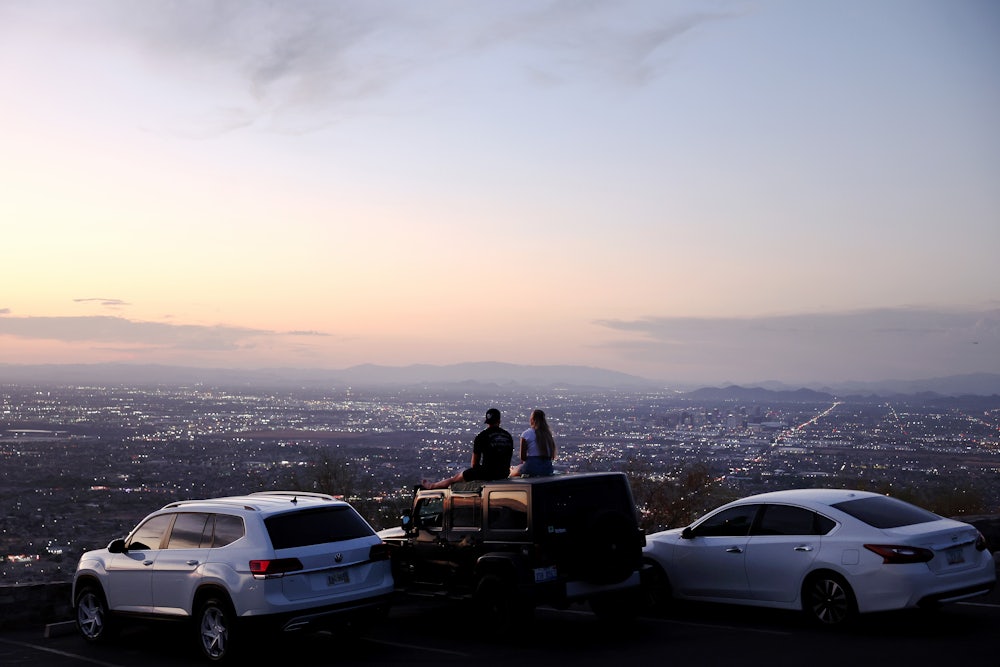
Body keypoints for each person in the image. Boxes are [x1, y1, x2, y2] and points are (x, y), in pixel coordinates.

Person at [421, 408, 514, 489]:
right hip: (504, 473)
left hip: (487, 474)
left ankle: (432, 486)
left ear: (487, 422)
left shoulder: (482, 436)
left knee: (456, 478)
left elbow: (474, 464)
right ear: (499, 421)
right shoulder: (508, 436)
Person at [511, 408, 556, 477]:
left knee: (512, 471)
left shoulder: (526, 434)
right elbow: (552, 456)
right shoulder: (548, 435)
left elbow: (523, 457)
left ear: (532, 419)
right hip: (547, 468)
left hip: (531, 467)